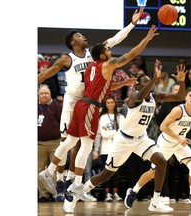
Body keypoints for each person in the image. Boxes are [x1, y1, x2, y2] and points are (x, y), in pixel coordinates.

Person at [38, 7, 143, 202]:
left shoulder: (93, 53)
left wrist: (132, 24)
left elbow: (116, 39)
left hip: (89, 100)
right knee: (67, 141)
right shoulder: (65, 59)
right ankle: (59, 180)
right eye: (79, 35)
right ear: (72, 42)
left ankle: (70, 180)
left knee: (78, 144)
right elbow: (45, 75)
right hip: (72, 101)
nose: (84, 37)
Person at [55, 25, 160, 213]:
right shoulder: (107, 65)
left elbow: (102, 86)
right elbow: (129, 55)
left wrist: (123, 82)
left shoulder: (91, 68)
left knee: (76, 143)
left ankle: (71, 182)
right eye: (108, 50)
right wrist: (147, 39)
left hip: (89, 106)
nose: (110, 51)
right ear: (102, 56)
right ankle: (73, 184)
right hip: (94, 110)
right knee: (87, 151)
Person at [74, 59, 187, 214]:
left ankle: (155, 201)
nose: (150, 83)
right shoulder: (135, 97)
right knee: (106, 174)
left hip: (141, 139)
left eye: (150, 81)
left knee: (161, 162)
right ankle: (80, 191)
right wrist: (154, 77)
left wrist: (181, 81)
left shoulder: (156, 96)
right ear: (139, 85)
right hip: (123, 140)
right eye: (146, 81)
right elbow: (142, 93)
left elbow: (179, 96)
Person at [124, 88, 191, 208]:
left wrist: (180, 139)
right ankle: (133, 191)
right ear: (185, 98)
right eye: (190, 95)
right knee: (153, 172)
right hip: (166, 142)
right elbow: (162, 127)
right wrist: (179, 138)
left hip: (179, 143)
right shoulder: (178, 110)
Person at [93, 96, 125, 202]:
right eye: (108, 102)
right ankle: (107, 194)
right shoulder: (102, 118)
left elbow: (124, 132)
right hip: (105, 149)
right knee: (105, 172)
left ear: (115, 104)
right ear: (105, 104)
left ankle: (115, 193)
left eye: (112, 102)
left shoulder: (120, 117)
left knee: (116, 172)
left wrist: (110, 132)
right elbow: (102, 134)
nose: (110, 104)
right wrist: (116, 132)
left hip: (118, 149)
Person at [37, 85, 63, 201]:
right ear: (38, 95)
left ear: (50, 95)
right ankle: (43, 195)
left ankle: (55, 193)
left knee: (55, 169)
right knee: (39, 170)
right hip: (38, 144)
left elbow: (63, 123)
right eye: (42, 93)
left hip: (55, 143)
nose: (44, 95)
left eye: (46, 93)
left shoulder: (57, 106)